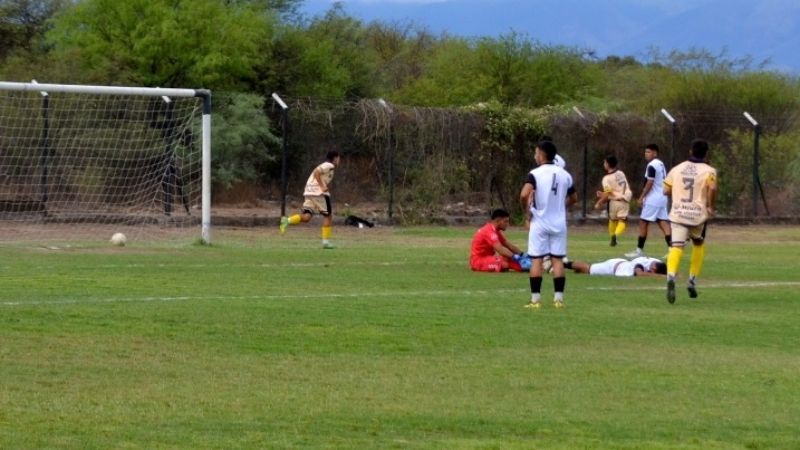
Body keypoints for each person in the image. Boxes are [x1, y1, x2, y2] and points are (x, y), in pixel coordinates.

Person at [520, 140, 577, 309]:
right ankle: (558, 300)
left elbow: (524, 195)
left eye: (536, 153)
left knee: (536, 259)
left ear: (542, 154)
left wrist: (526, 212)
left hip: (540, 222)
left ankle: (535, 300)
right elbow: (574, 198)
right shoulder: (565, 174)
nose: (535, 156)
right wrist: (561, 207)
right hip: (559, 223)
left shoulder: (535, 173)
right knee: (557, 260)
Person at [663, 139, 717, 303]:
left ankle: (671, 275)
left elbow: (665, 190)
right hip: (697, 214)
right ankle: (692, 280)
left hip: (679, 212)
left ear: (690, 151)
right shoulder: (710, 171)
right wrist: (710, 206)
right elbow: (712, 188)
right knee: (698, 243)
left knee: (676, 246)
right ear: (706, 154)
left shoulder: (677, 169)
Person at [280, 151, 341, 249]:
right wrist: (322, 186)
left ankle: (287, 220)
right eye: (338, 158)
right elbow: (317, 172)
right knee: (328, 216)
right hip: (318, 193)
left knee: (307, 217)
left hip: (309, 192)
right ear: (335, 158)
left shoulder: (327, 166)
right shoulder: (329, 165)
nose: (339, 160)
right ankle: (325, 242)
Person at [626, 144, 672, 258]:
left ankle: (639, 250)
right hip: (662, 197)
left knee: (643, 222)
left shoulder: (651, 165)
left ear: (655, 153)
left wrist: (642, 197)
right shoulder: (661, 164)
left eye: (649, 152)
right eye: (645, 152)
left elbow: (650, 183)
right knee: (663, 223)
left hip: (653, 199)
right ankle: (672, 250)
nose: (646, 154)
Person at [594, 155, 631, 247]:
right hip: (624, 199)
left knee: (612, 220)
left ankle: (612, 237)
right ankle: (616, 235)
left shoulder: (606, 178)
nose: (604, 164)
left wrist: (599, 202)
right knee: (622, 221)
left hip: (614, 202)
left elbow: (609, 193)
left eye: (604, 162)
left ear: (607, 164)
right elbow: (618, 188)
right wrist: (603, 194)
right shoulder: (621, 173)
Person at [564, 256, 667, 277]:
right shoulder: (641, 263)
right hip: (613, 267)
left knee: (584, 271)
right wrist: (660, 277)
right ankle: (562, 263)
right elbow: (638, 273)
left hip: (621, 264)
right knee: (587, 268)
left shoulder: (656, 262)